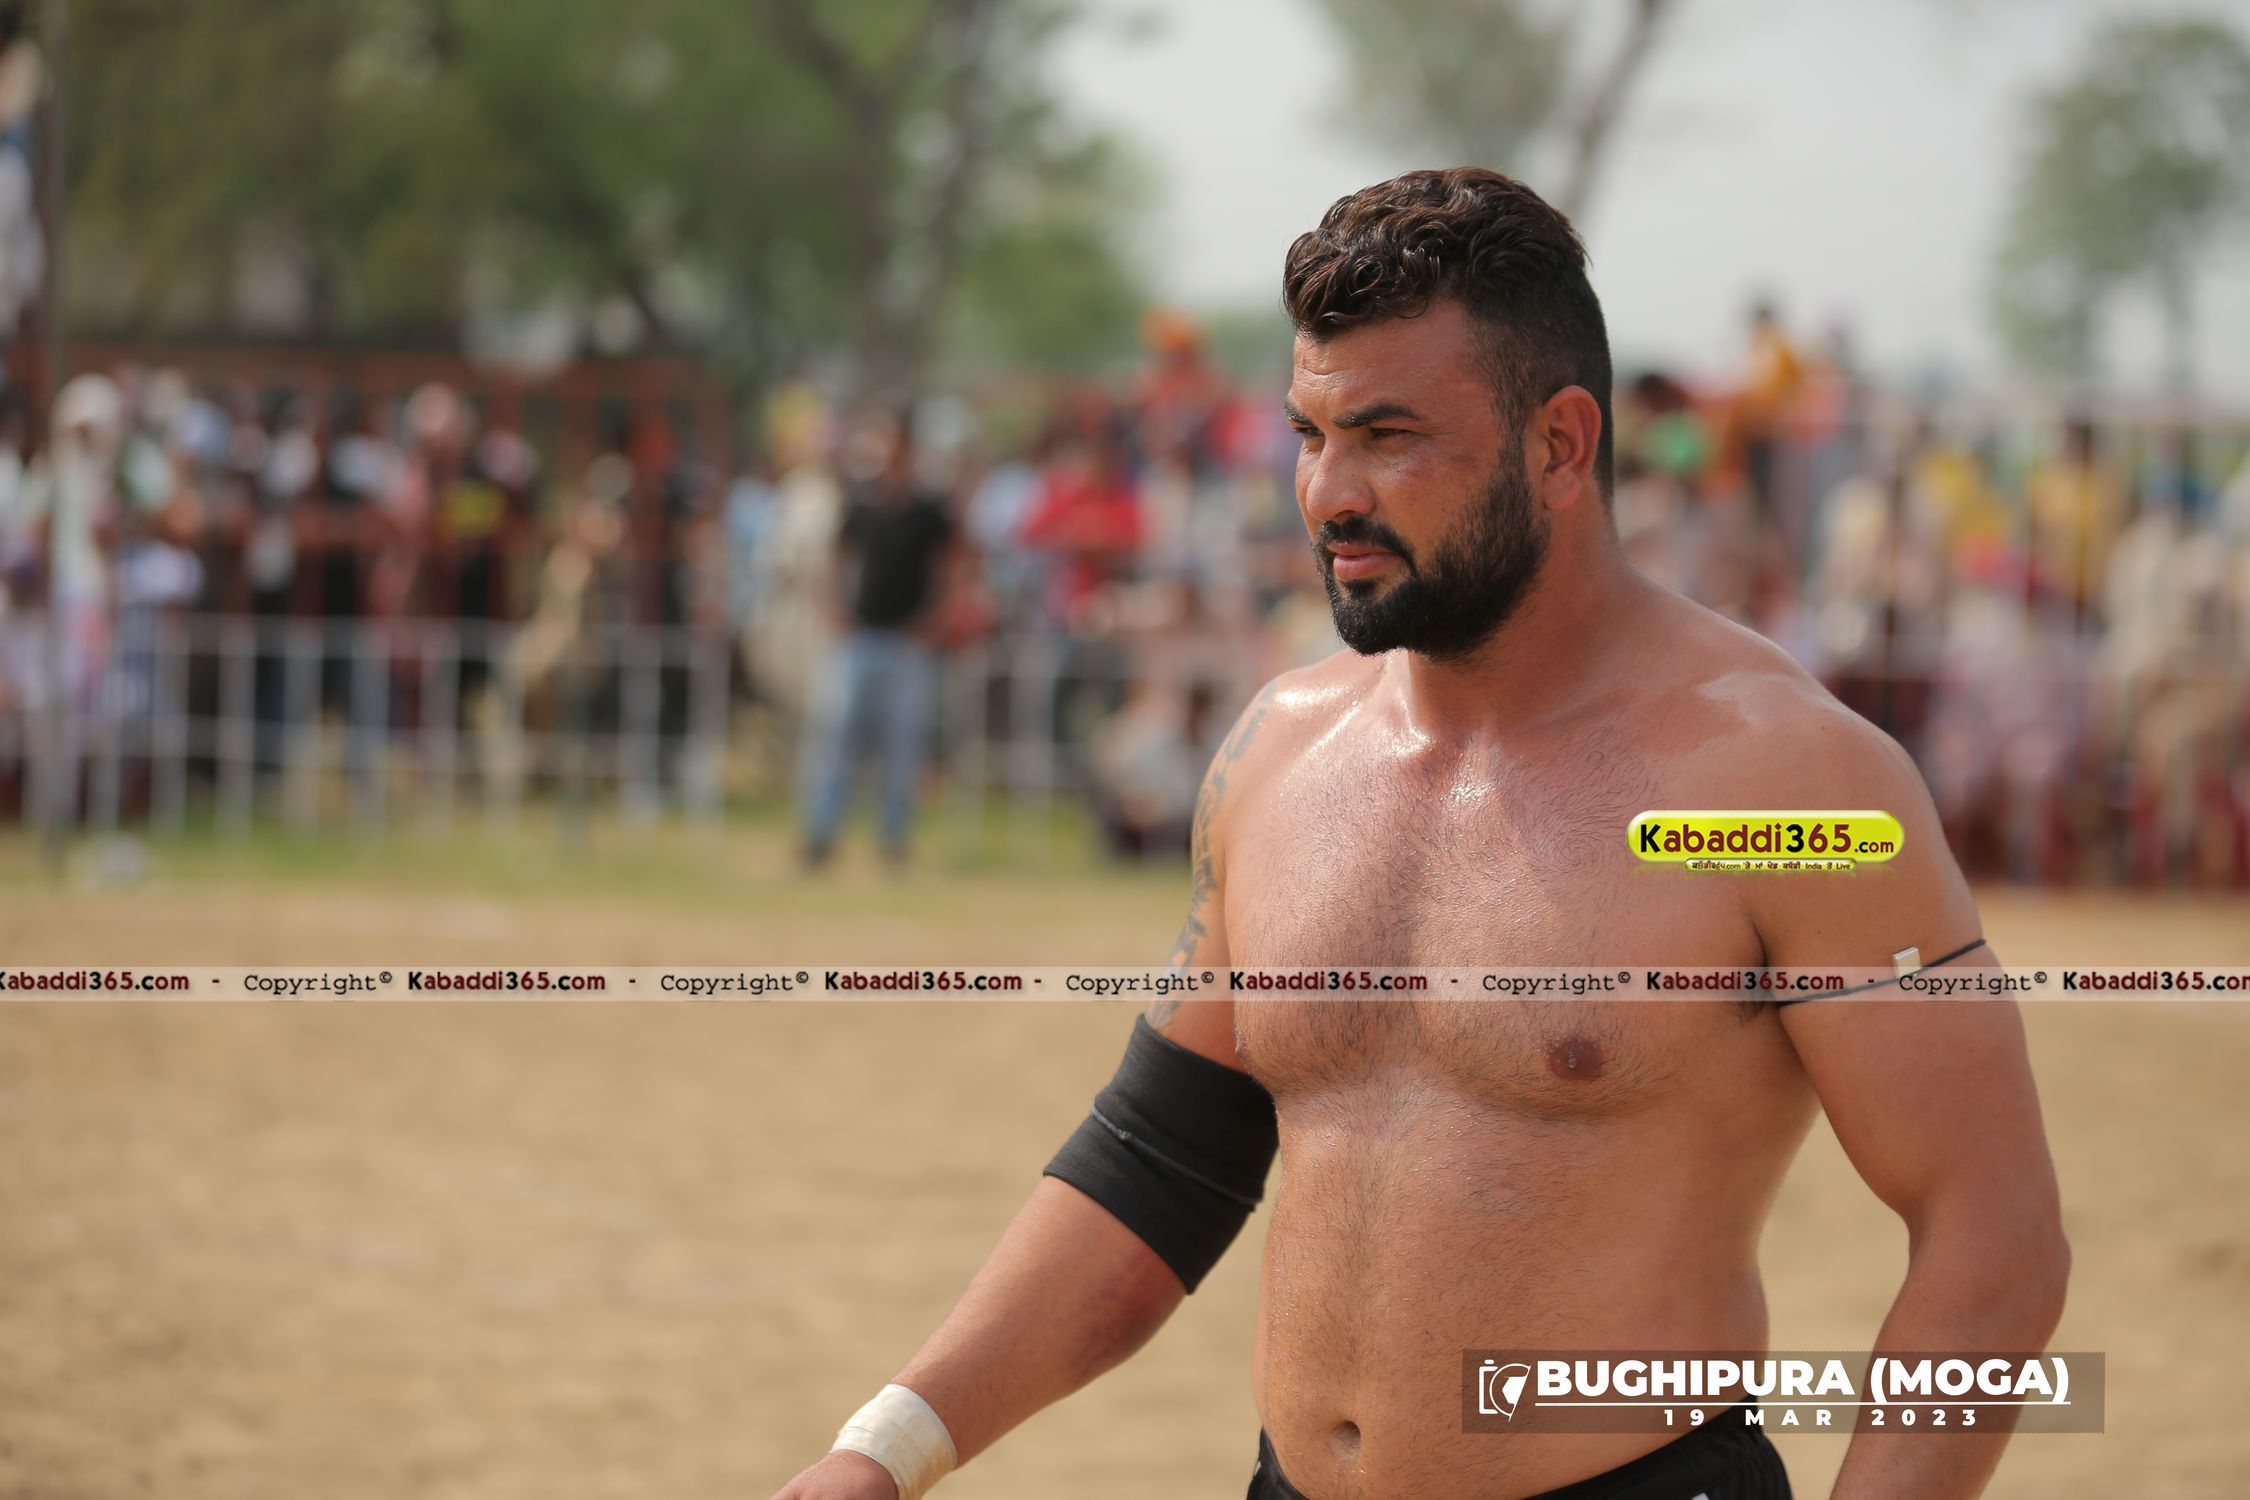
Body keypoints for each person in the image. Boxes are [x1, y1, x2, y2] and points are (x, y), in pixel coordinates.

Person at [771, 169, 2067, 1500]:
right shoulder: (1280, 751)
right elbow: (1159, 1165)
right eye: (1309, 432)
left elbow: (1993, 1235)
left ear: (1560, 447)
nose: (1328, 492)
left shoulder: (1785, 788)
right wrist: (884, 1451)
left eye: (1387, 436)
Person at [799, 407, 962, 869]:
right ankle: (821, 834)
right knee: (835, 739)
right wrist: (833, 612)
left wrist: (931, 623)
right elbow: (833, 560)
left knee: (901, 746)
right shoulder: (859, 503)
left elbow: (952, 568)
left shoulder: (929, 511)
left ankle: (892, 839)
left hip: (907, 644)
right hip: (858, 640)